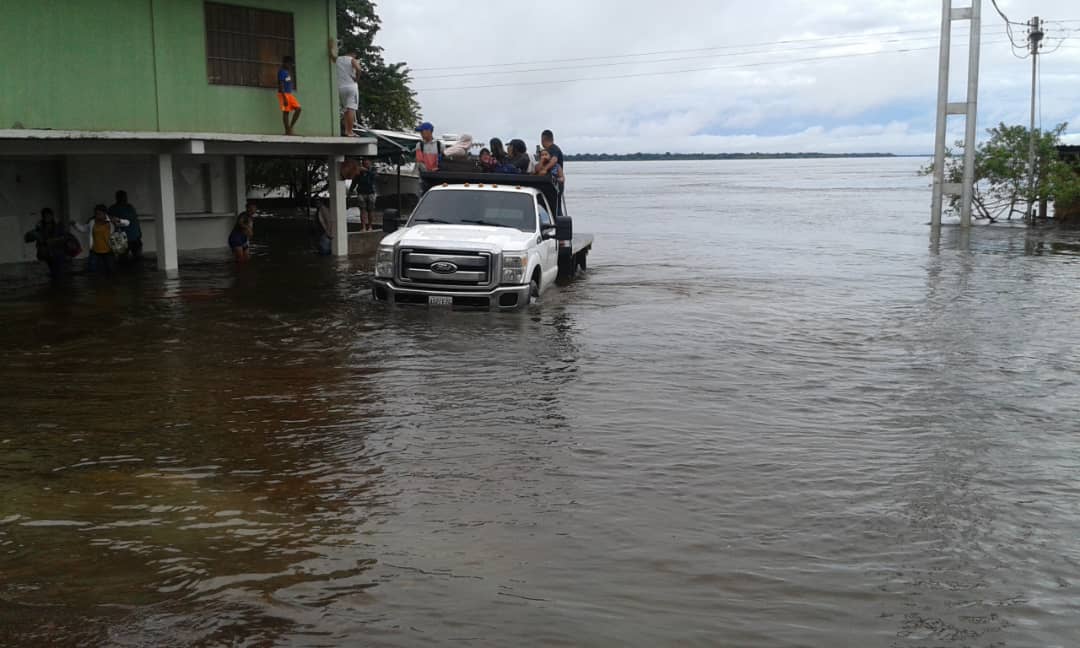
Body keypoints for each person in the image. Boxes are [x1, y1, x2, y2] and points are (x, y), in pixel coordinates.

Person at [72, 204, 128, 274]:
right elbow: (84, 229)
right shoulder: (92, 222)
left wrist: (119, 220)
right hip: (95, 251)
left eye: (99, 214)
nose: (97, 216)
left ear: (105, 213)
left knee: (111, 270)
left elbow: (127, 223)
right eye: (96, 214)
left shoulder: (111, 221)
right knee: (92, 270)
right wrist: (75, 224)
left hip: (108, 250)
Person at [329, 40, 362, 136]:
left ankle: (346, 130)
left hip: (341, 88)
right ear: (354, 54)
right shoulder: (352, 60)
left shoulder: (339, 59)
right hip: (351, 87)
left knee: (346, 109)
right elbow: (359, 69)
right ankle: (350, 131)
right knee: (351, 109)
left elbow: (332, 56)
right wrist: (357, 79)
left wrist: (330, 48)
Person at [24, 207, 68, 277]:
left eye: (48, 215)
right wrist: (31, 236)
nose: (47, 217)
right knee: (53, 271)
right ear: (43, 216)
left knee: (59, 272)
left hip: (58, 252)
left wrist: (53, 240)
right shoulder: (40, 225)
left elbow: (65, 237)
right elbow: (33, 237)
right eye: (45, 216)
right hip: (47, 253)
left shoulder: (58, 224)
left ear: (52, 215)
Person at [108, 190, 142, 262]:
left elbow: (136, 220)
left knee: (138, 258)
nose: (125, 198)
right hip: (121, 237)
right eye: (122, 197)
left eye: (125, 197)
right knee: (122, 259)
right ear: (117, 198)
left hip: (135, 236)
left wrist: (139, 231)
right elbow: (109, 222)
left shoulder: (130, 207)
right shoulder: (113, 208)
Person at [277, 56, 302, 135]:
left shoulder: (287, 72)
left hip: (289, 94)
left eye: (291, 64)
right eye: (289, 64)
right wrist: (284, 98)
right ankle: (287, 130)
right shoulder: (281, 72)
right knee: (286, 112)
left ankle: (290, 127)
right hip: (283, 94)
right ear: (285, 63)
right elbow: (281, 85)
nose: (290, 65)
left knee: (298, 109)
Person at [354, 159, 378, 231]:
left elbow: (375, 177)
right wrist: (350, 191)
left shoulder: (373, 170)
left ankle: (370, 226)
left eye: (367, 164)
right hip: (361, 193)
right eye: (364, 164)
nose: (366, 165)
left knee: (371, 210)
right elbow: (354, 182)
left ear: (370, 164)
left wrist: (367, 171)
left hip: (370, 193)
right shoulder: (359, 172)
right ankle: (363, 227)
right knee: (362, 210)